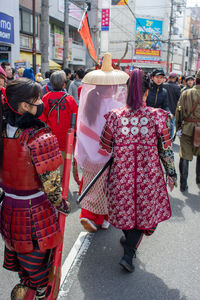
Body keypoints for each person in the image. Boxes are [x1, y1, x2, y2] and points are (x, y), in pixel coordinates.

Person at [100, 69, 177, 273]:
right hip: (148, 174)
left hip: (121, 173)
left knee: (124, 206)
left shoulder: (115, 117)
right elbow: (166, 150)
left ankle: (129, 243)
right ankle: (128, 252)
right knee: (144, 211)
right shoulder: (159, 117)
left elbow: (105, 146)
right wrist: (172, 173)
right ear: (146, 93)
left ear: (127, 91)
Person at [0, 78, 70, 299]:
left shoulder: (2, 130)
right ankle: (38, 291)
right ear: (24, 106)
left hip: (8, 206)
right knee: (38, 261)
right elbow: (51, 185)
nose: (41, 102)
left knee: (20, 256)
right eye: (37, 99)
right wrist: (62, 204)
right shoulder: (40, 136)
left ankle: (26, 287)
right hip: (36, 210)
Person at [40, 70, 78, 175]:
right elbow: (75, 116)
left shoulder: (46, 97)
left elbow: (41, 117)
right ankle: (62, 180)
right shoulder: (69, 99)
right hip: (66, 136)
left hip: (50, 135)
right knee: (65, 160)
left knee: (51, 160)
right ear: (64, 84)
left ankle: (53, 180)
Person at [175, 69, 200, 192]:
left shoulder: (186, 93)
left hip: (187, 128)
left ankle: (183, 184)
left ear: (195, 80)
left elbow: (178, 111)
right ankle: (199, 179)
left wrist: (178, 128)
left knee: (184, 155)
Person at [163, 72, 181, 139]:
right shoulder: (177, 87)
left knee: (164, 124)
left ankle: (164, 138)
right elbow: (180, 99)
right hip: (173, 109)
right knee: (172, 124)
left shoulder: (163, 85)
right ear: (175, 78)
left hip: (164, 108)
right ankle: (170, 138)